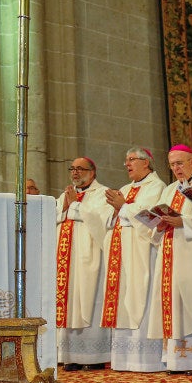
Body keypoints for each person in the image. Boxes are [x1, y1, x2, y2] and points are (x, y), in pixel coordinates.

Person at [147, 145, 192, 374]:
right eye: (172, 164)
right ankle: (175, 361)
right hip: (169, 253)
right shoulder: (169, 190)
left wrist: (185, 223)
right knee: (173, 303)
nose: (176, 168)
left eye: (180, 163)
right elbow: (157, 221)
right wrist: (158, 224)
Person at [101, 147, 167, 372]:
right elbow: (109, 218)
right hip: (121, 251)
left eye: (131, 160)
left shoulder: (157, 187)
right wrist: (114, 211)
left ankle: (147, 360)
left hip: (142, 251)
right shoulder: (125, 189)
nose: (127, 164)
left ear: (146, 163)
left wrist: (124, 207)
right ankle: (123, 359)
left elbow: (153, 220)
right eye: (126, 160)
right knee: (122, 298)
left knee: (142, 294)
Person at [55, 157, 115, 371]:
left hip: (90, 258)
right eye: (72, 169)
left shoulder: (102, 193)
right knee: (69, 301)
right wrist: (65, 205)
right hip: (66, 259)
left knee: (90, 300)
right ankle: (69, 356)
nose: (75, 173)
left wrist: (75, 206)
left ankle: (94, 356)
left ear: (93, 171)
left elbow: (103, 221)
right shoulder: (66, 194)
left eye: (80, 169)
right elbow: (53, 216)